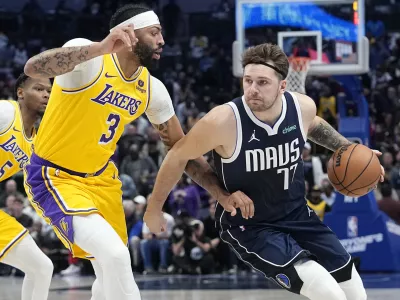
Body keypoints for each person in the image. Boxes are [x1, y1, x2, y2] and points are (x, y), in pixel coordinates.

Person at [23, 3, 253, 300]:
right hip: (55, 176)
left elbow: (181, 150)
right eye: (154, 32)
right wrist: (101, 47)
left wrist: (220, 193)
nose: (162, 41)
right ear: (128, 33)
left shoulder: (152, 89)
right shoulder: (88, 57)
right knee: (116, 256)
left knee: (109, 274)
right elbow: (33, 68)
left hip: (102, 181)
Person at [144, 43, 386, 300]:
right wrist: (156, 207)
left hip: (297, 215)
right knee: (327, 292)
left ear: (283, 86)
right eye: (248, 81)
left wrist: (351, 149)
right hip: (251, 226)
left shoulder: (301, 108)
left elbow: (314, 126)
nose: (252, 90)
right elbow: (179, 156)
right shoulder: (223, 121)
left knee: (355, 292)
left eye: (262, 82)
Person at [0, 73, 53, 300]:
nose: (45, 95)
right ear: (20, 92)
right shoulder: (5, 112)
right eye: (39, 89)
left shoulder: (36, 142)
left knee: (42, 268)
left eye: (49, 91)